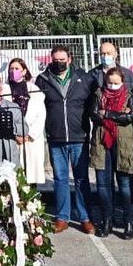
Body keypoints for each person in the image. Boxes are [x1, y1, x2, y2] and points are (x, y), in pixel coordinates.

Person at [35, 45, 94, 234]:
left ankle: (85, 217)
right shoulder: (42, 79)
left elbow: (93, 104)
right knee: (60, 179)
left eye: (62, 59)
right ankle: (62, 217)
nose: (58, 62)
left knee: (81, 178)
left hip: (79, 136)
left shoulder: (84, 78)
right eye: (55, 59)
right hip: (55, 136)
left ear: (70, 59)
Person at [89, 42, 133, 228]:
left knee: (126, 181)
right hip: (102, 140)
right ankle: (107, 219)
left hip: (124, 140)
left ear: (116, 54)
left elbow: (129, 115)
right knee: (103, 183)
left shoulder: (128, 75)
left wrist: (108, 114)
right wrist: (116, 115)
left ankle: (131, 218)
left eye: (108, 53)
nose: (105, 56)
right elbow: (94, 114)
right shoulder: (93, 77)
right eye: (102, 53)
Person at [6, 57, 47, 186]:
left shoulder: (34, 89)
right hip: (12, 138)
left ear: (24, 71)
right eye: (11, 69)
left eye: (17, 68)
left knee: (30, 176)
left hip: (30, 140)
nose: (13, 71)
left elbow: (40, 115)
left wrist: (29, 135)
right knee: (13, 177)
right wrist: (14, 134)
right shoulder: (4, 89)